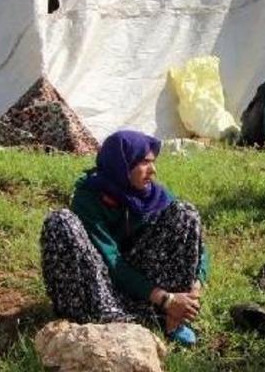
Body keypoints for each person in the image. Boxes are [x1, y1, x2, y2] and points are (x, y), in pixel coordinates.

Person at [40, 130, 209, 346]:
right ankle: (109, 317)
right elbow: (112, 262)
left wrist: (195, 288)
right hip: (98, 285)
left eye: (153, 162)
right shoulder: (90, 198)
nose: (153, 170)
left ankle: (172, 319)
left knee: (185, 213)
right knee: (60, 222)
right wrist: (166, 299)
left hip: (140, 284)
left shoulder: (153, 195)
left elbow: (198, 246)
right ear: (121, 164)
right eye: (144, 163)